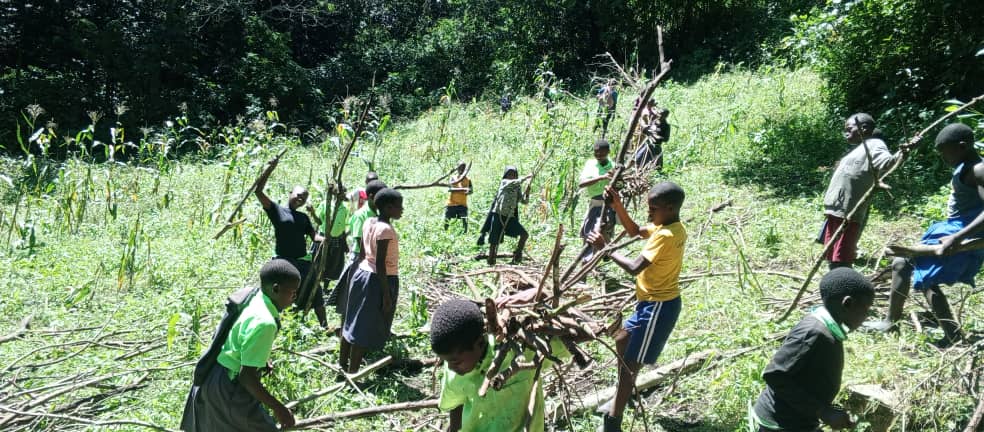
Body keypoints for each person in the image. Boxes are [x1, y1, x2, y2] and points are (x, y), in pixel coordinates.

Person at [866, 123, 983, 346]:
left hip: (961, 232)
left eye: (944, 151)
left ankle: (952, 335)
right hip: (953, 228)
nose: (942, 156)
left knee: (922, 274)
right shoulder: (966, 166)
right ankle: (893, 321)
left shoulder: (978, 169)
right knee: (904, 263)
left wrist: (956, 238)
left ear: (962, 146)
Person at [586, 182, 687, 432]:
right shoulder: (669, 226)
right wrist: (617, 204)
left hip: (658, 308)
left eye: (653, 209)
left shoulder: (666, 235)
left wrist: (606, 249)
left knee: (631, 364)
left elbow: (634, 267)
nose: (649, 213)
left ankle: (613, 422)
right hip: (648, 306)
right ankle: (622, 395)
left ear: (670, 208)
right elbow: (633, 230)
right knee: (622, 340)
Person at [180, 259, 300, 431]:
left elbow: (239, 336)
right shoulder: (265, 323)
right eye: (293, 293)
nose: (294, 299)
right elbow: (247, 378)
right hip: (228, 389)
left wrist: (260, 360)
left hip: (216, 375)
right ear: (275, 289)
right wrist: (279, 409)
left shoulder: (254, 296)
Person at [751, 267, 875, 432]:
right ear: (848, 303)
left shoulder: (829, 330)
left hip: (800, 418)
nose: (867, 316)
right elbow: (775, 374)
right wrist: (822, 411)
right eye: (866, 309)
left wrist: (826, 408)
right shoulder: (814, 333)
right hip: (783, 423)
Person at [431, 296, 570, 432]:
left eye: (455, 362)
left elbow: (571, 336)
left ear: (479, 343)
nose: (450, 367)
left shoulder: (524, 351)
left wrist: (538, 295)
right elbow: (455, 404)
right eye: (447, 361)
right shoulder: (455, 372)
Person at [340, 188, 404, 374]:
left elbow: (362, 253)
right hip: (378, 280)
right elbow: (381, 264)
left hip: (362, 273)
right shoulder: (385, 229)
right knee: (363, 328)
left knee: (351, 322)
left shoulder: (369, 221)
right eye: (399, 206)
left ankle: (342, 365)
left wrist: (355, 278)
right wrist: (386, 295)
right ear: (388, 207)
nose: (402, 210)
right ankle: (353, 375)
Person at [820, 113, 895, 269]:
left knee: (842, 257)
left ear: (864, 128)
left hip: (849, 211)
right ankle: (835, 282)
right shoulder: (860, 148)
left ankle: (844, 285)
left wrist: (904, 152)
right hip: (837, 209)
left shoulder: (875, 144)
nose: (845, 133)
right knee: (832, 254)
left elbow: (888, 163)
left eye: (849, 128)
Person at [253, 158, 323, 312]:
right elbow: (258, 192)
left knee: (315, 289)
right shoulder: (277, 210)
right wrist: (269, 169)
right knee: (284, 293)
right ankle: (282, 320)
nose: (300, 199)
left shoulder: (303, 217)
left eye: (304, 198)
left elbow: (314, 236)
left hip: (302, 261)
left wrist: (325, 240)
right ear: (290, 193)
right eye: (298, 195)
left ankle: (324, 326)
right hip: (283, 261)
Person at [333, 180, 387, 338]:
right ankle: (345, 332)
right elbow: (359, 242)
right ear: (371, 197)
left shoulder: (376, 215)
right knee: (349, 297)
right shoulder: (360, 215)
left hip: (372, 259)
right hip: (360, 259)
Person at [305, 184, 351, 330]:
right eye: (343, 192)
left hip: (337, 239)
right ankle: (318, 285)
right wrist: (312, 212)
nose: (345, 195)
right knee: (320, 263)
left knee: (334, 263)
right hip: (325, 238)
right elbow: (319, 222)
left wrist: (344, 238)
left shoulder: (344, 208)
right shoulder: (325, 205)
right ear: (336, 193)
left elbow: (344, 225)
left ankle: (325, 287)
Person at [485, 166, 533, 266]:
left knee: (524, 235)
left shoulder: (517, 186)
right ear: (506, 175)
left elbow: (523, 201)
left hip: (509, 216)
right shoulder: (505, 182)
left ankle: (518, 254)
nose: (512, 176)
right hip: (498, 214)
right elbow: (513, 182)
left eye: (514, 174)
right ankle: (491, 259)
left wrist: (527, 193)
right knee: (494, 240)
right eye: (510, 174)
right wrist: (526, 177)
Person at [579, 139, 616, 262]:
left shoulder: (614, 166)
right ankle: (587, 259)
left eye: (602, 153)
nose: (598, 156)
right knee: (589, 232)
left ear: (608, 152)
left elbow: (620, 185)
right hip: (595, 204)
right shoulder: (590, 164)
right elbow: (582, 184)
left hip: (609, 205)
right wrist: (602, 177)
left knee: (603, 230)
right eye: (596, 153)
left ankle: (604, 252)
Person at [634, 104, 671, 170]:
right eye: (659, 113)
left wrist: (658, 137)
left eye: (662, 114)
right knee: (638, 160)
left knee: (656, 166)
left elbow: (666, 139)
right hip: (646, 145)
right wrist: (646, 130)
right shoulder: (653, 121)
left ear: (666, 116)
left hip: (656, 147)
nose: (660, 115)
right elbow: (645, 130)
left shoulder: (666, 126)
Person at [445, 161, 473, 233]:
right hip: (451, 204)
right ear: (457, 168)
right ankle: (445, 234)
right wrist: (463, 189)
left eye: (463, 168)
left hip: (462, 205)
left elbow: (471, 190)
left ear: (465, 170)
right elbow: (450, 189)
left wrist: (469, 192)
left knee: (465, 222)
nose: (461, 169)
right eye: (460, 168)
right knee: (447, 221)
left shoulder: (468, 180)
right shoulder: (453, 178)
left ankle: (465, 235)